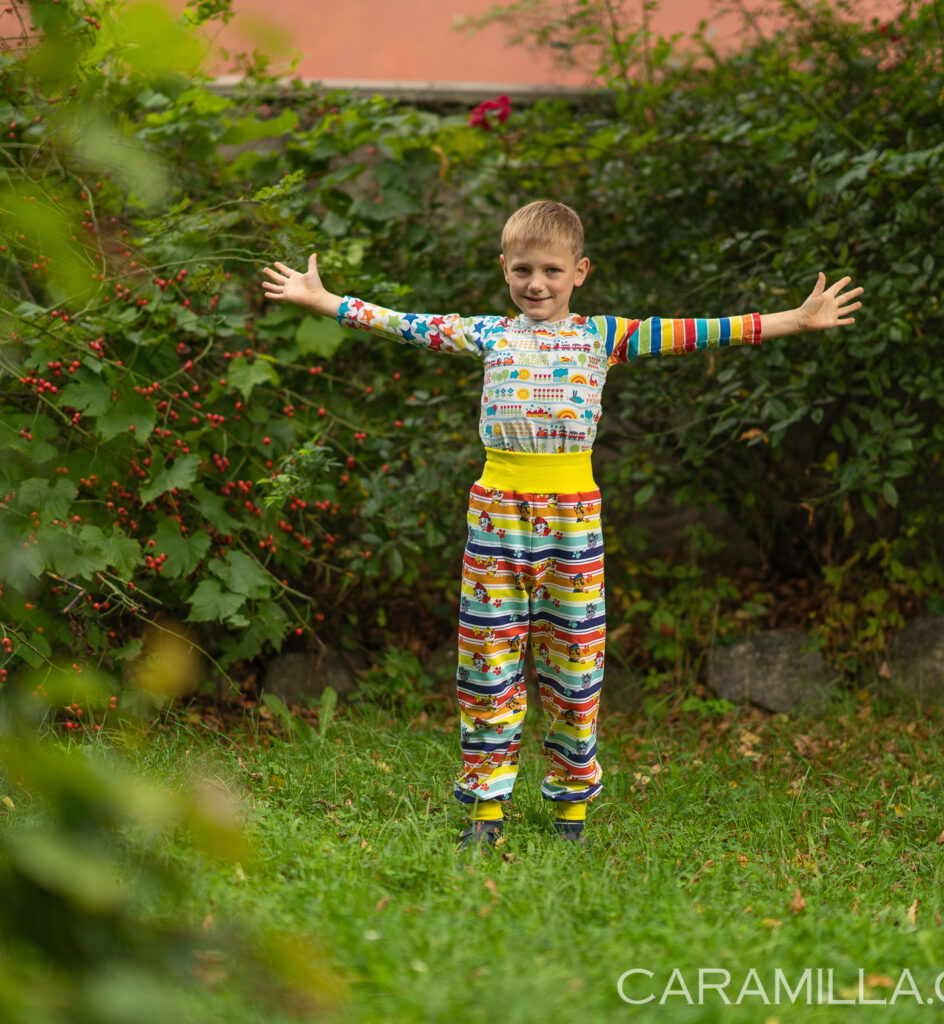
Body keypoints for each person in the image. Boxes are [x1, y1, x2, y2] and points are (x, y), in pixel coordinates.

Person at [261, 200, 863, 850]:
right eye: (523, 269)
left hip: (573, 522)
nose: (536, 283)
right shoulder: (489, 334)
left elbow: (697, 331)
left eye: (552, 270)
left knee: (575, 667)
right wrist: (326, 302)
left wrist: (795, 319)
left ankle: (571, 812)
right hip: (497, 518)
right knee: (487, 663)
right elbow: (407, 324)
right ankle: (485, 811)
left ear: (580, 271)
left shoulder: (604, 337)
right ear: (504, 268)